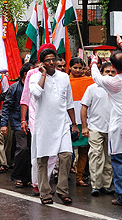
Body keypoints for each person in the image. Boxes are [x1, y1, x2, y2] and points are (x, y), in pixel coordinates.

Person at [90, 35, 122, 206]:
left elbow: (96, 76)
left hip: (118, 126)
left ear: (112, 66)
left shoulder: (113, 82)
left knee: (118, 161)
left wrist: (94, 62)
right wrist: (121, 43)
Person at [29, 45, 78, 204]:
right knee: (42, 159)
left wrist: (74, 124)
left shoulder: (64, 77)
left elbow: (69, 102)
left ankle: (62, 190)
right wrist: (43, 74)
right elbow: (36, 93)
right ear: (41, 63)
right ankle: (45, 193)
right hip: (44, 124)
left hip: (62, 123)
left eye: (53, 59)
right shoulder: (34, 77)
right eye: (47, 61)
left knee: (66, 156)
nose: (51, 63)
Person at [81, 61, 114, 196]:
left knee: (109, 158)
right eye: (107, 72)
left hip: (112, 129)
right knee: (95, 156)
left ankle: (106, 185)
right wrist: (84, 126)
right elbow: (84, 107)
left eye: (113, 72)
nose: (110, 74)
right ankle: (95, 185)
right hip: (95, 127)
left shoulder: (117, 88)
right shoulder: (92, 88)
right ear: (101, 73)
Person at [2, 62, 33, 187]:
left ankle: (28, 177)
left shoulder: (36, 86)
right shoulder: (14, 87)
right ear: (26, 74)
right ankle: (17, 175)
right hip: (18, 122)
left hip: (33, 122)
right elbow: (7, 106)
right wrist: (4, 124)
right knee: (23, 148)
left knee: (31, 150)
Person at [69, 57, 94, 187]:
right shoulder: (64, 80)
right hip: (68, 120)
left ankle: (80, 176)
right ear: (70, 68)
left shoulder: (88, 81)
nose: (78, 70)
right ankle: (63, 175)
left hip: (84, 120)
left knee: (84, 150)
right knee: (67, 152)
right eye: (75, 68)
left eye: (80, 68)